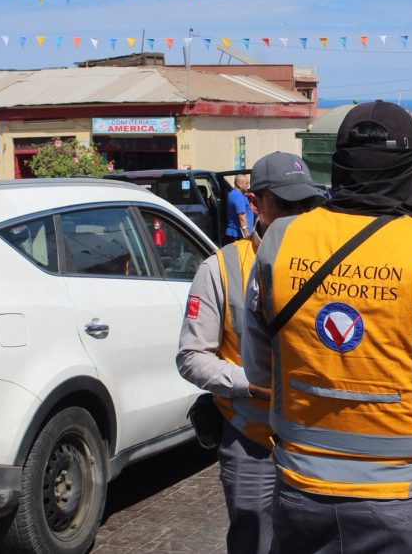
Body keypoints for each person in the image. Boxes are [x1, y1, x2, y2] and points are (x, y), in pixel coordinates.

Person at [243, 101, 412, 554]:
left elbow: (258, 370)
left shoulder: (279, 241)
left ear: (339, 166)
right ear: (410, 171)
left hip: (301, 496)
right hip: (407, 503)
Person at [176, 152, 322, 554]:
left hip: (321, 442)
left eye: (305, 205)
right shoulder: (220, 269)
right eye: (286, 205)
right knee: (253, 542)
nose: (299, 215)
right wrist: (248, 384)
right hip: (252, 441)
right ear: (255, 203)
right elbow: (191, 356)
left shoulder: (332, 266)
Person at [224, 174, 255, 246]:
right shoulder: (238, 197)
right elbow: (242, 218)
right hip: (238, 235)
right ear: (239, 184)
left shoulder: (233, 194)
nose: (248, 185)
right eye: (247, 183)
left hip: (234, 234)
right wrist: (247, 237)